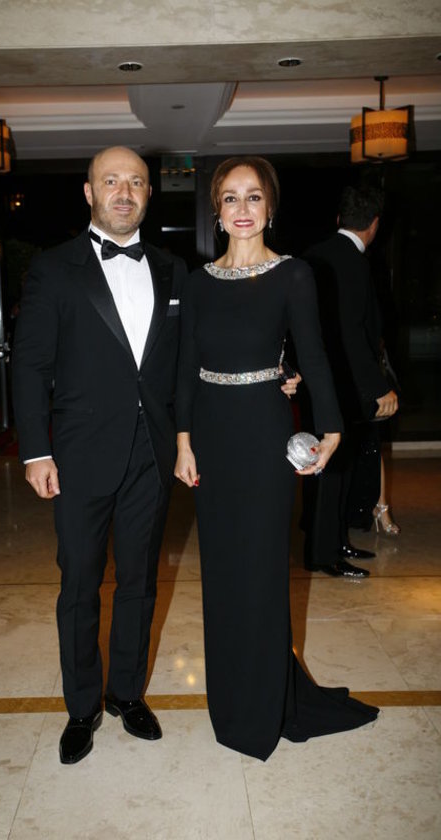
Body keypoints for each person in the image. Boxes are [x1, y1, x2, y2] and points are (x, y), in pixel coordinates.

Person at [12, 144, 304, 765]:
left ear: (149, 194)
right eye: (111, 182)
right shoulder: (54, 268)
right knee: (80, 583)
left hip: (153, 453)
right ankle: (82, 707)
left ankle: (126, 693)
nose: (124, 192)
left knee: (141, 582)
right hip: (79, 456)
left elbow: (201, 355)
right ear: (89, 193)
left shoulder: (175, 271)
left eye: (136, 182)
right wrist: (36, 451)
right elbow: (31, 365)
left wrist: (275, 375)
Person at [174, 156, 378, 761]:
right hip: (212, 438)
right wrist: (183, 441)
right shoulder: (197, 282)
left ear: (270, 207)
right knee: (222, 575)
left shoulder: (294, 275)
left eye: (254, 196)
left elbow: (313, 355)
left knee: (262, 572)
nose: (242, 208)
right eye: (230, 198)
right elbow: (186, 367)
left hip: (264, 435)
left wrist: (331, 427)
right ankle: (231, 699)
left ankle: (265, 703)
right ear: (217, 210)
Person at [302, 185, 399, 577]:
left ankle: (331, 541)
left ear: (339, 218)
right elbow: (352, 333)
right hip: (342, 384)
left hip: (316, 380)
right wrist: (378, 386)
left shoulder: (313, 256)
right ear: (374, 225)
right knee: (334, 469)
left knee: (324, 467)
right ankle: (325, 553)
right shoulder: (355, 263)